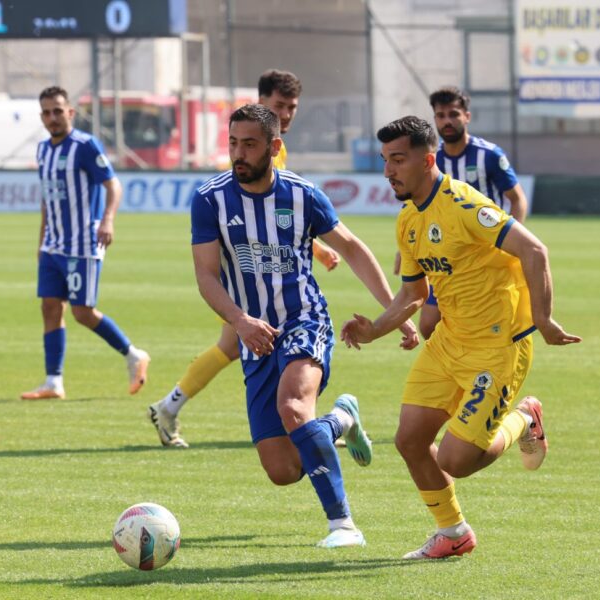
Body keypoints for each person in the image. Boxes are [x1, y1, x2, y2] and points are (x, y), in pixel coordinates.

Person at [341, 116, 580, 559]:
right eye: (385, 160)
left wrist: (544, 319)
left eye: (398, 160)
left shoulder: (465, 205)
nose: (388, 171)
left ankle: (524, 419)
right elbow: (413, 294)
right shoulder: (408, 220)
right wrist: (375, 329)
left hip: (498, 347)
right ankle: (452, 533)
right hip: (449, 343)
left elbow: (534, 250)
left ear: (427, 160)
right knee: (409, 441)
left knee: (456, 460)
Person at [190, 104, 418, 547]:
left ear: (274, 147)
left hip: (304, 320)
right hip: (253, 336)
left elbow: (352, 249)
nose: (238, 153)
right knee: (283, 470)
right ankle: (342, 419)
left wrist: (394, 312)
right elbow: (206, 275)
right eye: (233, 143)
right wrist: (240, 321)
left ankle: (343, 525)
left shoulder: (303, 195)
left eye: (249, 144)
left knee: (293, 408)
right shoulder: (209, 199)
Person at [149, 69, 340, 448]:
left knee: (233, 347)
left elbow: (280, 216)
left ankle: (170, 407)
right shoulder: (250, 149)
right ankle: (307, 424)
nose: (286, 113)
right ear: (262, 101)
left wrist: (315, 247)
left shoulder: (276, 147)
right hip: (243, 271)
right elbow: (247, 210)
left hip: (265, 267)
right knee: (237, 343)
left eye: (292, 107)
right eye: (279, 105)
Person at [19, 86, 150, 401]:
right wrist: (41, 240)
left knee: (82, 312)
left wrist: (108, 220)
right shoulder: (43, 150)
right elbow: (48, 199)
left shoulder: (85, 146)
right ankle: (53, 382)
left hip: (83, 244)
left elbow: (113, 185)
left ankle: (133, 355)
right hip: (53, 244)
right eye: (47, 112)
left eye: (58, 111)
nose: (52, 117)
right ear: (41, 117)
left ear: (70, 112)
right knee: (50, 307)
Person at [409, 86, 531, 340]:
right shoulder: (432, 160)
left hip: (485, 256)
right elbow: (418, 207)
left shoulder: (489, 155)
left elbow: (517, 199)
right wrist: (407, 250)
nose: (447, 121)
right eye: (441, 115)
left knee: (486, 325)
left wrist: (511, 240)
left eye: (453, 114)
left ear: (467, 116)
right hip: (447, 254)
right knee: (429, 325)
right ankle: (455, 359)